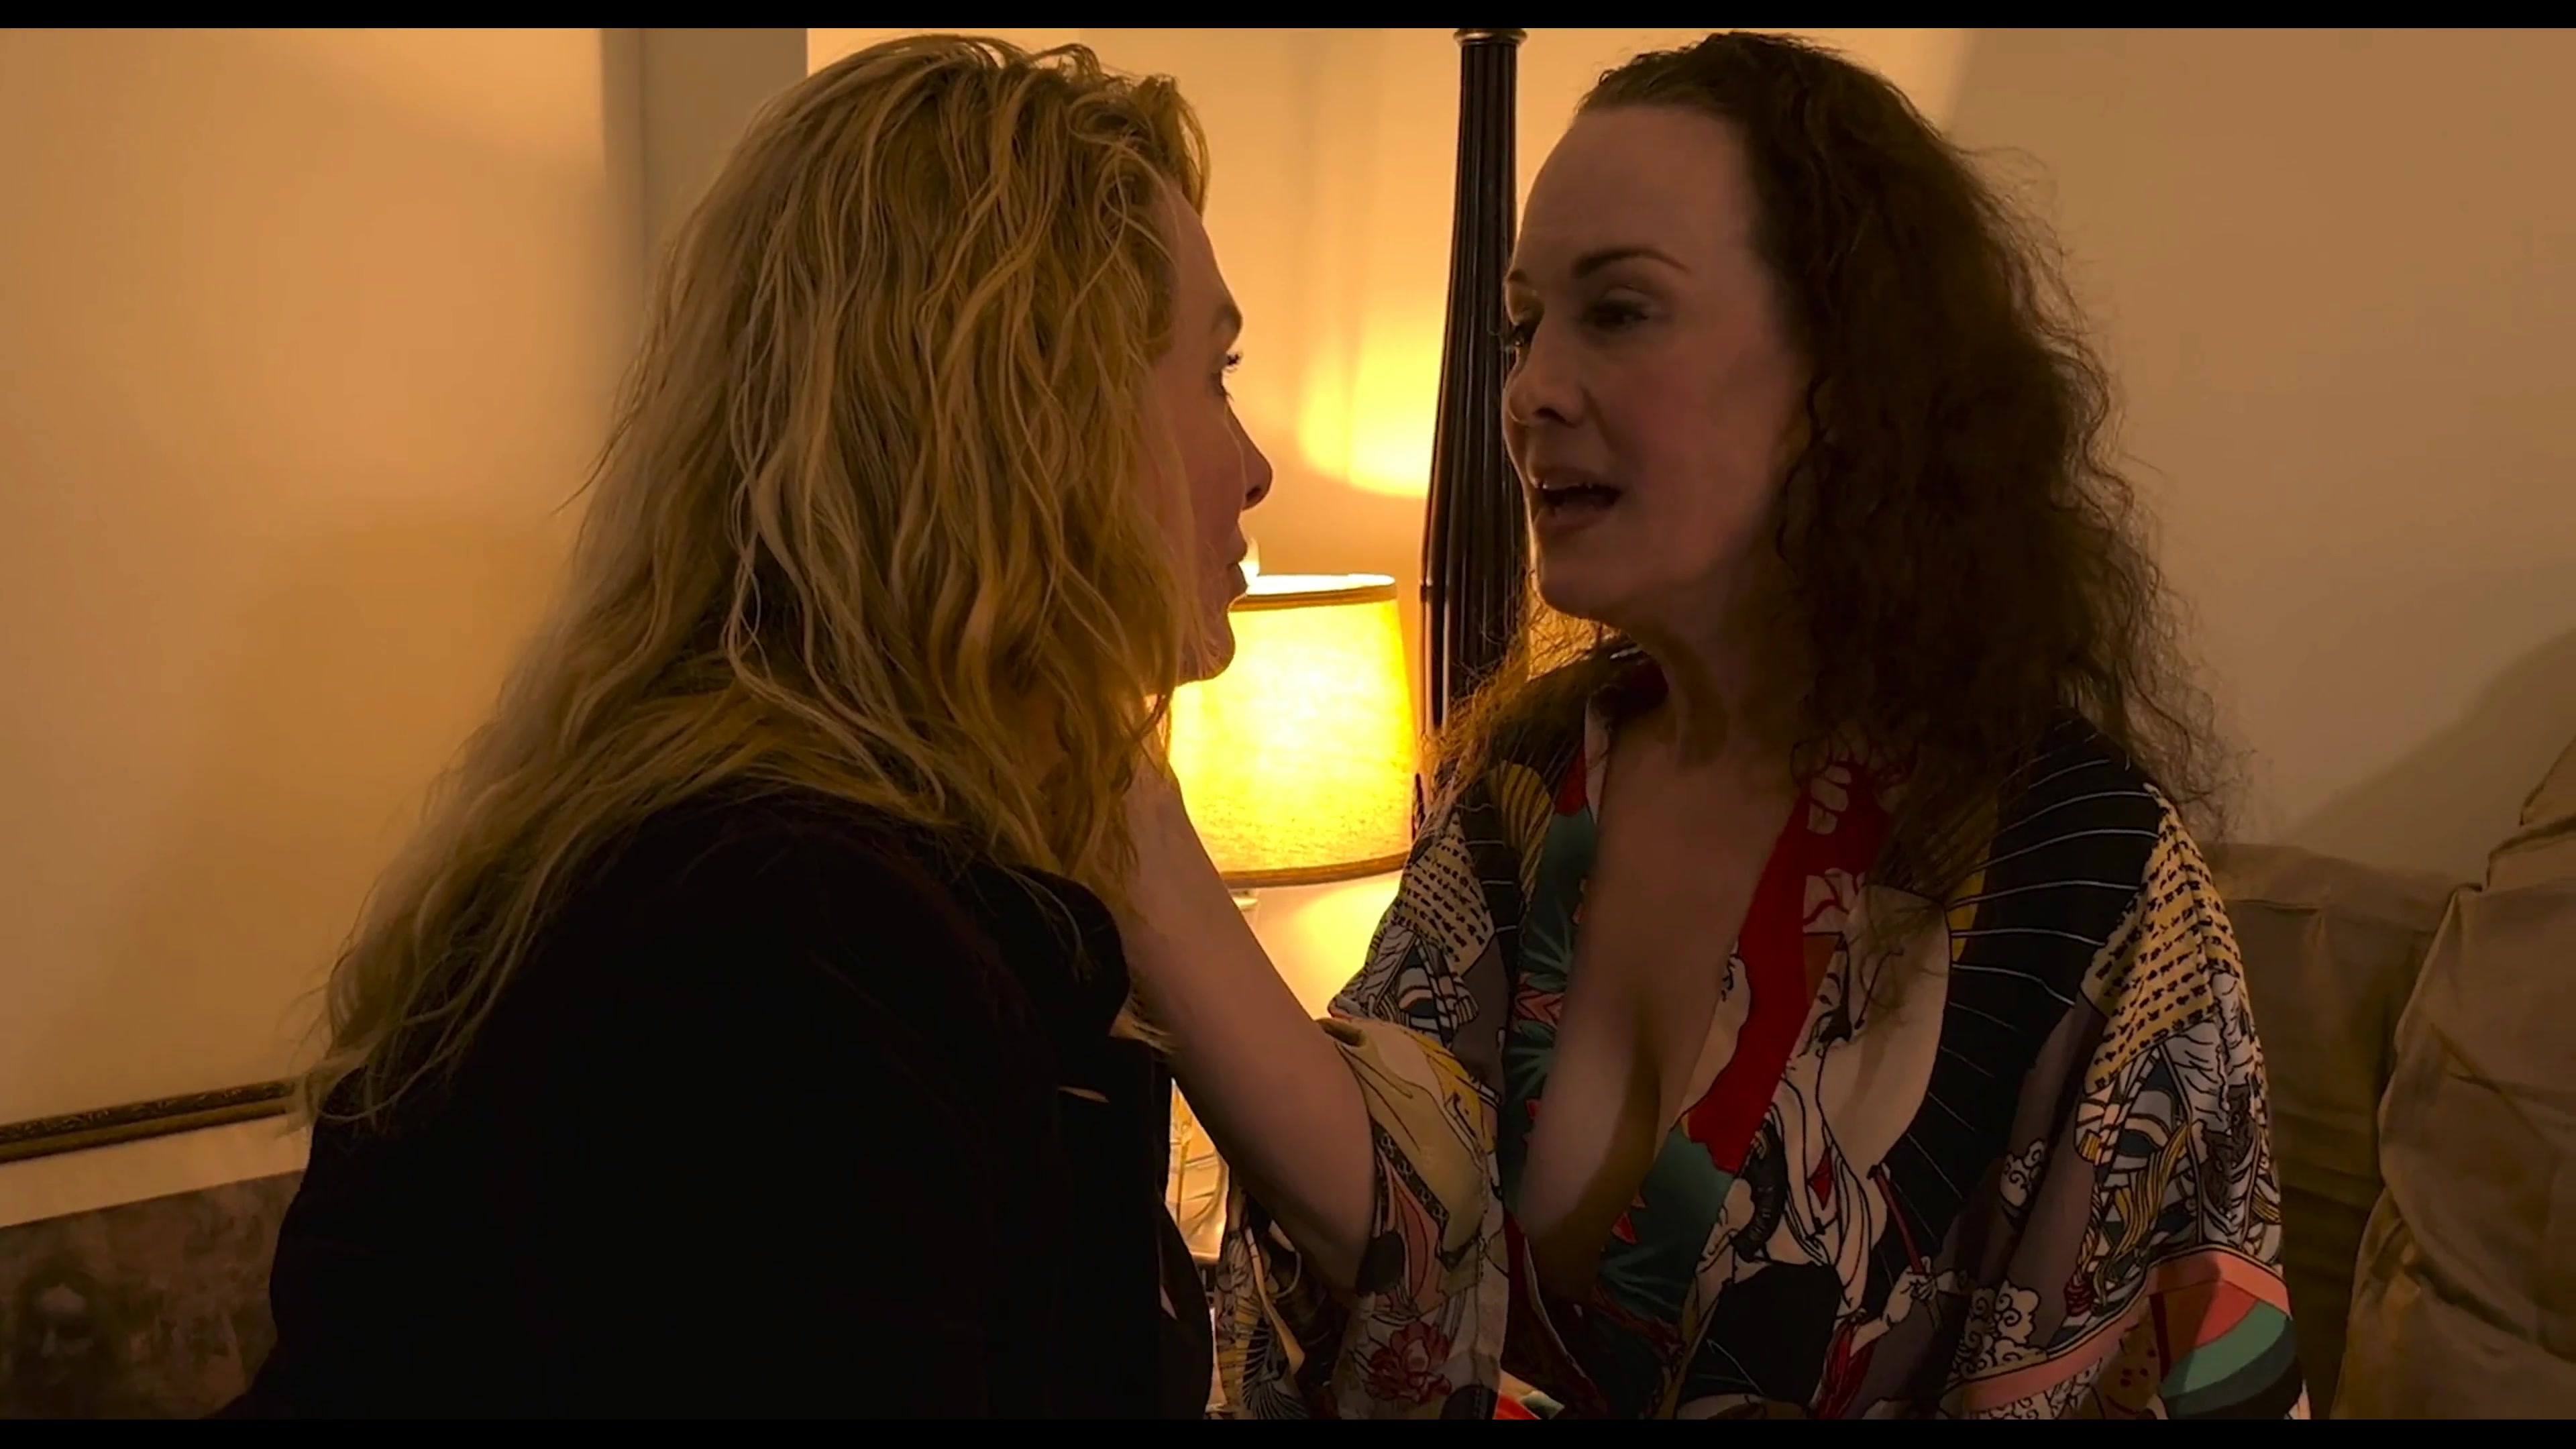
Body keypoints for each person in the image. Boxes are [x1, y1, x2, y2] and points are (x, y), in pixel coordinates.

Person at [1116, 31, 2305, 1419]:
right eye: (1523, 328)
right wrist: (1102, 775)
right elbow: (1371, 1229)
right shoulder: (1528, 794)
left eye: (1620, 312)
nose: (1531, 391)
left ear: (1846, 371)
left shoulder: (2084, 882)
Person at [222, 35, 1271, 1419]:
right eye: (1215, 374)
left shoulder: (847, 901)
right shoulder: (777, 962)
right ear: (1039, 424)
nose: (1255, 466)